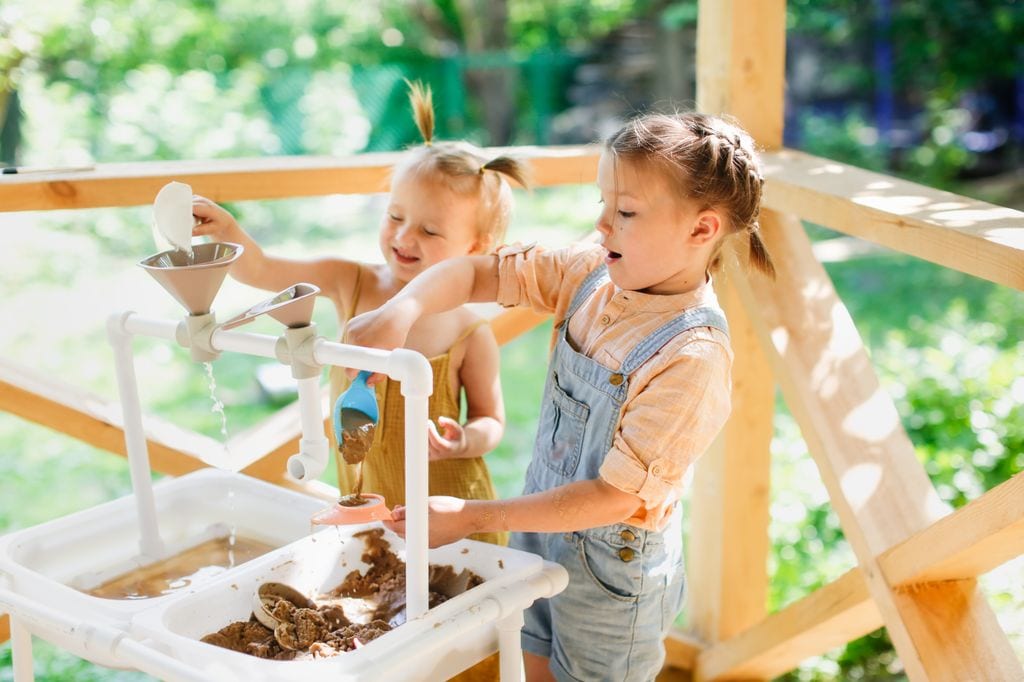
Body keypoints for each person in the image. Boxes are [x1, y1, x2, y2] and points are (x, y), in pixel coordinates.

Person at [346, 111, 776, 681]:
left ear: (701, 230)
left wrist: (473, 516)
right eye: (602, 203)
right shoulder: (591, 274)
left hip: (611, 584)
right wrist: (402, 310)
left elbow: (613, 497)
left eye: (624, 213)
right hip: (537, 537)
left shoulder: (691, 358)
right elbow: (476, 273)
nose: (601, 225)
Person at [191, 81, 529, 545]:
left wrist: (464, 440)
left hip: (447, 516)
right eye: (394, 216)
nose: (404, 237)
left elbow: (492, 419)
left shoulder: (470, 330)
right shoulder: (350, 280)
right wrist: (228, 231)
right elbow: (263, 270)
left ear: (476, 248)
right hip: (368, 508)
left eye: (430, 230)